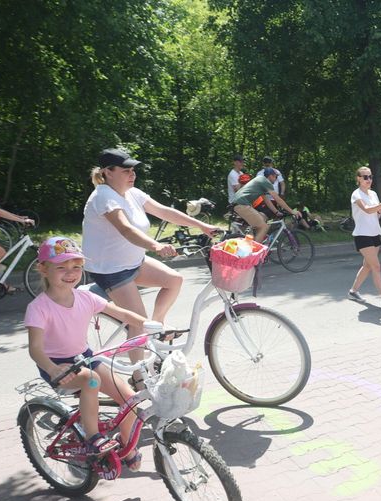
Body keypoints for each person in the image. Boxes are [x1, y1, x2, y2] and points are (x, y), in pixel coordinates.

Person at [25, 237, 149, 470]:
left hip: (85, 357)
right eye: (61, 267)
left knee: (130, 399)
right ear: (43, 268)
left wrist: (152, 326)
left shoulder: (85, 297)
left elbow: (123, 313)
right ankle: (93, 439)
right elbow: (35, 349)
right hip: (57, 366)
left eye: (76, 267)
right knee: (91, 380)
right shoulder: (39, 308)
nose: (70, 273)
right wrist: (53, 369)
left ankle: (127, 447)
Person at [81, 148, 221, 345]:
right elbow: (126, 229)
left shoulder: (132, 193)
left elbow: (164, 212)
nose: (132, 174)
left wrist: (202, 225)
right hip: (111, 269)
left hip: (133, 262)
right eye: (126, 171)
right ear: (108, 172)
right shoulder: (103, 196)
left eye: (133, 170)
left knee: (174, 280)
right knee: (138, 324)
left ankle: (156, 328)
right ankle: (138, 375)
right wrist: (156, 246)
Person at [347, 167, 381, 306]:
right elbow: (367, 210)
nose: (368, 180)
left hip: (375, 233)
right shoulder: (356, 194)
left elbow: (375, 214)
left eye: (370, 177)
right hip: (363, 235)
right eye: (365, 177)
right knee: (376, 267)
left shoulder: (373, 194)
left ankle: (353, 291)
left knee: (368, 266)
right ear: (358, 178)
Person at [231, 166, 299, 242]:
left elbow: (267, 201)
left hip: (238, 204)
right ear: (270, 176)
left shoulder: (260, 180)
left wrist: (276, 212)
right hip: (242, 204)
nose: (276, 179)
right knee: (264, 227)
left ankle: (253, 239)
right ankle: (255, 251)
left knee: (262, 218)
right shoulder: (265, 182)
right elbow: (278, 199)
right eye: (275, 177)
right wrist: (292, 211)